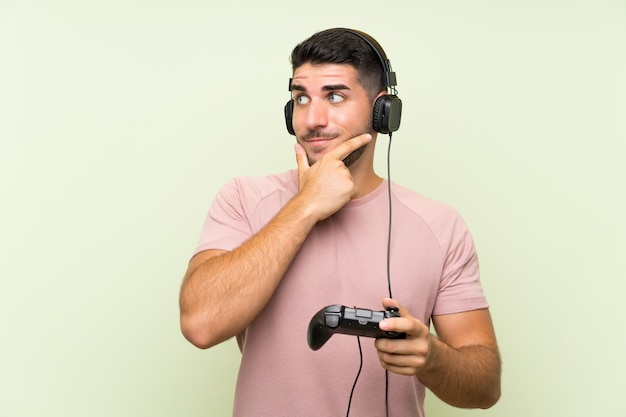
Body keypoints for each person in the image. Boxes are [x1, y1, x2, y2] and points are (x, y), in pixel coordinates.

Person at [179, 28, 501, 416]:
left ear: (382, 111)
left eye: (335, 96)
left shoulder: (439, 224)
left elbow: (485, 388)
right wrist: (306, 205)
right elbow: (201, 323)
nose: (313, 119)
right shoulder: (244, 200)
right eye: (301, 98)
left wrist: (433, 357)